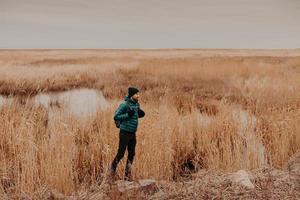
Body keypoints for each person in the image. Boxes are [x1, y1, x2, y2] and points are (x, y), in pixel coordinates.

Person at [110, 87, 145, 181]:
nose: (138, 95)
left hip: (132, 133)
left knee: (132, 153)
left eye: (138, 94)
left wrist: (140, 114)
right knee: (121, 153)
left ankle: (127, 175)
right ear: (131, 95)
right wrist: (128, 115)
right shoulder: (124, 105)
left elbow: (134, 115)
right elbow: (116, 116)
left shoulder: (136, 104)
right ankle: (112, 170)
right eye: (136, 94)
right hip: (124, 132)